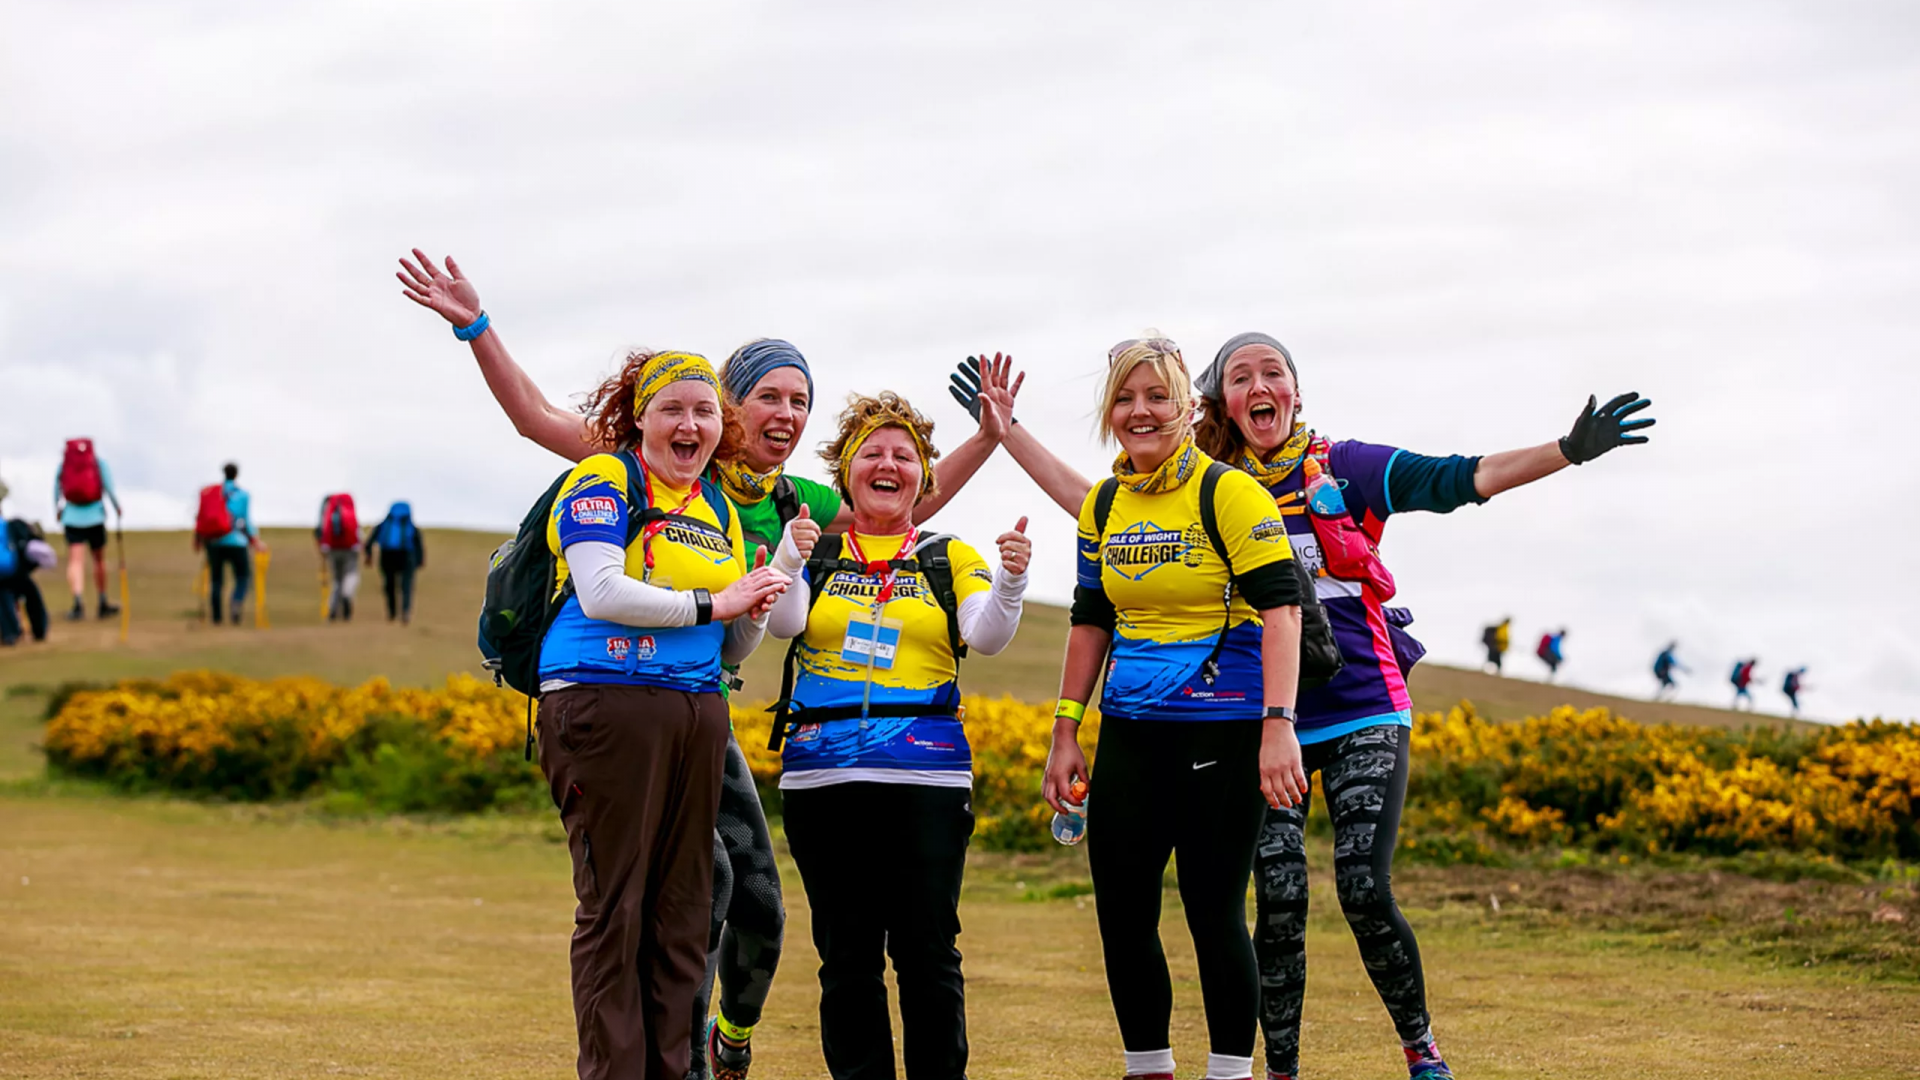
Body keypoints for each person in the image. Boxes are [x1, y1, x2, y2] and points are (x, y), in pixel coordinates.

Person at [957, 334, 1655, 1080]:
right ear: (1218, 400)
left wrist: (1567, 450)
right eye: (1239, 376)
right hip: (1250, 718)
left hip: (1355, 703)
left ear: (1295, 390)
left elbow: (1460, 479)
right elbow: (1095, 506)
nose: (1259, 387)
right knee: (1278, 902)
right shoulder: (1193, 481)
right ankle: (1280, 1069)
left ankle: (1421, 1049)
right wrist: (1007, 432)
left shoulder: (1340, 469)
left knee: (1360, 882)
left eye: (1273, 373)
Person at [396, 247, 1009, 1079]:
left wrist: (986, 439)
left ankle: (731, 1036)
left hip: (702, 707)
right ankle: (673, 1060)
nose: (786, 414)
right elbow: (539, 419)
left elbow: (910, 500)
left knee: (756, 901)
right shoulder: (667, 458)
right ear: (728, 404)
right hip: (626, 697)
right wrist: (475, 325)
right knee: (693, 890)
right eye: (768, 396)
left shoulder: (802, 502)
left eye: (800, 400)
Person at [1032, 336, 1304, 1080]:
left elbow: (1282, 612)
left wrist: (1277, 728)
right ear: (1109, 412)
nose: (1140, 411)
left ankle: (1228, 1073)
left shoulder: (1230, 492)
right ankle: (1147, 1068)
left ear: (1188, 407)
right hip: (1129, 734)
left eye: (1157, 397)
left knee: (1213, 912)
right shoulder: (1104, 502)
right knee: (1122, 913)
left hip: (1226, 730)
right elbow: (1090, 617)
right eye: (1125, 397)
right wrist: (1066, 730)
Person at [763, 392, 1029, 1080]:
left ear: (925, 475)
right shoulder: (816, 553)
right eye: (871, 454)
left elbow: (987, 635)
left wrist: (1011, 581)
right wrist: (790, 560)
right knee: (846, 957)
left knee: (927, 952)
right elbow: (783, 626)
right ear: (845, 472)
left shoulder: (948, 555)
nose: (888, 465)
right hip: (822, 782)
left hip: (928, 781)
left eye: (903, 455)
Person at [543, 346, 792, 1079]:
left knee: (683, 913)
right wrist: (717, 601)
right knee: (616, 910)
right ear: (640, 418)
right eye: (673, 409)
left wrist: (763, 590)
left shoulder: (717, 505)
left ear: (724, 425)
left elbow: (734, 644)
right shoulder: (605, 476)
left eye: (705, 411)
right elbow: (600, 590)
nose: (690, 424)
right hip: (604, 702)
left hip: (697, 710)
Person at [54, 437, 122, 621]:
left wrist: (58, 510)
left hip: (71, 517)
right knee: (98, 560)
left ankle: (77, 602)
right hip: (95, 516)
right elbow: (109, 487)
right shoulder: (98, 463)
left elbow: (56, 489)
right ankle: (102, 601)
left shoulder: (64, 465)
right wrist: (117, 507)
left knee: (75, 561)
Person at [195, 462, 263, 626]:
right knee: (243, 577)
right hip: (237, 541)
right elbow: (245, 521)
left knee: (216, 580)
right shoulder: (243, 495)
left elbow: (201, 516)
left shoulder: (211, 493)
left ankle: (217, 618)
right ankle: (236, 600)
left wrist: (198, 538)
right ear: (236, 474)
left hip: (214, 542)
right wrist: (255, 540)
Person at [363, 501, 425, 624]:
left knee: (389, 584)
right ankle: (405, 611)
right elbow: (418, 544)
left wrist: (369, 554)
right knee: (406, 585)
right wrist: (419, 560)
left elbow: (370, 541)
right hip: (407, 556)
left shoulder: (384, 525)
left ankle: (392, 612)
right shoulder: (411, 526)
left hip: (387, 555)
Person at [315, 492, 361, 621]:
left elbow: (323, 531)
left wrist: (323, 548)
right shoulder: (350, 510)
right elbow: (356, 531)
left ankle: (333, 610)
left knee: (337, 580)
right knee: (351, 574)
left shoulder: (330, 510)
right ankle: (347, 594)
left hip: (332, 548)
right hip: (350, 548)